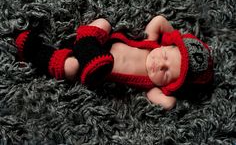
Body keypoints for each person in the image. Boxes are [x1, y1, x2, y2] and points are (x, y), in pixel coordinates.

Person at [15, 16, 213, 110]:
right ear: (165, 45)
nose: (160, 65)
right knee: (103, 23)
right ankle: (87, 47)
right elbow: (159, 20)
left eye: (168, 73)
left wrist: (169, 93)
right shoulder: (149, 43)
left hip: (90, 68)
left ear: (170, 84)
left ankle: (34, 52)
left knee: (71, 67)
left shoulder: (152, 86)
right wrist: (172, 35)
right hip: (95, 42)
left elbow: (168, 104)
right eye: (167, 57)